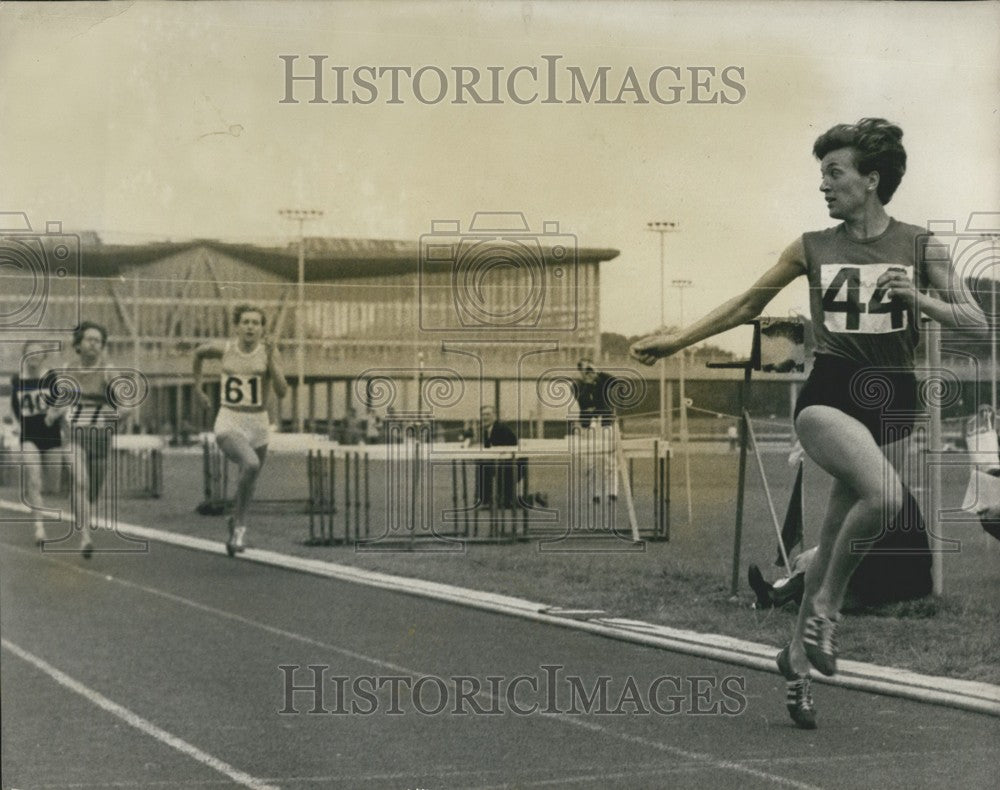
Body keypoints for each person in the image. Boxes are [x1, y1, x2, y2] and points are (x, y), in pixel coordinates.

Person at [631, 118, 987, 729]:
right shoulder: (809, 247)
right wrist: (674, 342)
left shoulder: (921, 245)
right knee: (885, 498)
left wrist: (918, 300)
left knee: (841, 526)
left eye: (835, 172)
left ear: (871, 180)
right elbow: (746, 307)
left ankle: (795, 659)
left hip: (890, 403)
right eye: (821, 173)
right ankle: (825, 608)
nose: (823, 184)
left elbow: (977, 323)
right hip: (830, 393)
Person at [194, 304, 288, 556]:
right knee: (251, 464)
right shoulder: (224, 349)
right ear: (237, 326)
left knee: (250, 481)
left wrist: (272, 362)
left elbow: (281, 391)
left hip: (258, 422)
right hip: (229, 419)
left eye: (255, 323)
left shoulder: (269, 352)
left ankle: (238, 528)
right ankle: (238, 525)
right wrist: (198, 387)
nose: (250, 327)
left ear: (262, 329)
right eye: (245, 322)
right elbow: (198, 353)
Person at [44, 322, 126, 558]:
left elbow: (127, 405)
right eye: (89, 339)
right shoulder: (67, 370)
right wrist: (52, 415)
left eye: (98, 341)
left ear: (103, 346)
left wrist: (112, 420)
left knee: (91, 494)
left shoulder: (109, 372)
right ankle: (85, 538)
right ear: (78, 344)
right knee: (80, 482)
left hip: (99, 438)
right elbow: (59, 404)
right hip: (73, 437)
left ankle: (80, 512)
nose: (93, 344)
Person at [10, 342, 62, 546]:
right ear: (24, 356)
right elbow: (16, 408)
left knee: (53, 486)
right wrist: (20, 426)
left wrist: (54, 414)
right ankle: (39, 528)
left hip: (51, 436)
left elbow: (62, 402)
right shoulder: (17, 380)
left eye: (37, 353)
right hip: (29, 435)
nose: (33, 356)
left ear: (43, 357)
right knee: (34, 479)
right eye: (29, 353)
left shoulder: (51, 377)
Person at [572, 358, 620, 503]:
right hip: (588, 425)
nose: (588, 373)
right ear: (580, 372)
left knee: (609, 458)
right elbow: (583, 400)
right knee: (589, 461)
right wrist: (588, 383)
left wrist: (598, 373)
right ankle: (595, 493)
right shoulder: (577, 385)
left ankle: (612, 492)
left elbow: (615, 382)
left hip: (604, 422)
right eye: (585, 370)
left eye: (590, 370)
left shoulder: (602, 382)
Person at [476, 405, 519, 509]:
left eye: (488, 414)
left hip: (512, 465)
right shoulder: (487, 430)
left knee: (483, 466)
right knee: (482, 464)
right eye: (483, 415)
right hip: (502, 463)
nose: (485, 417)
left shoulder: (501, 429)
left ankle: (486, 500)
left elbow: (503, 449)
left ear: (494, 416)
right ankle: (487, 500)